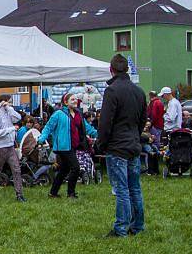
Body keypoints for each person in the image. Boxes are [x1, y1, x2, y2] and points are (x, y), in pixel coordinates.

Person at [94, 54, 146, 236]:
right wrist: (135, 137)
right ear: (127, 69)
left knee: (121, 189)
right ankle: (137, 226)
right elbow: (142, 120)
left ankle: (121, 228)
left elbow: (105, 122)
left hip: (117, 146)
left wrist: (101, 143)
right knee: (135, 188)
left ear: (111, 69)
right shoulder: (139, 92)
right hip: (133, 144)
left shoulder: (112, 91)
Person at [38, 93, 98, 199]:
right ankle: (71, 193)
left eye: (76, 99)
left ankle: (53, 193)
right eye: (72, 99)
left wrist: (100, 134)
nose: (75, 101)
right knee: (76, 168)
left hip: (73, 146)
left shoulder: (78, 114)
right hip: (63, 146)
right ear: (66, 102)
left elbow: (87, 128)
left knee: (64, 170)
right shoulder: (58, 114)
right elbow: (48, 127)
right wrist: (42, 138)